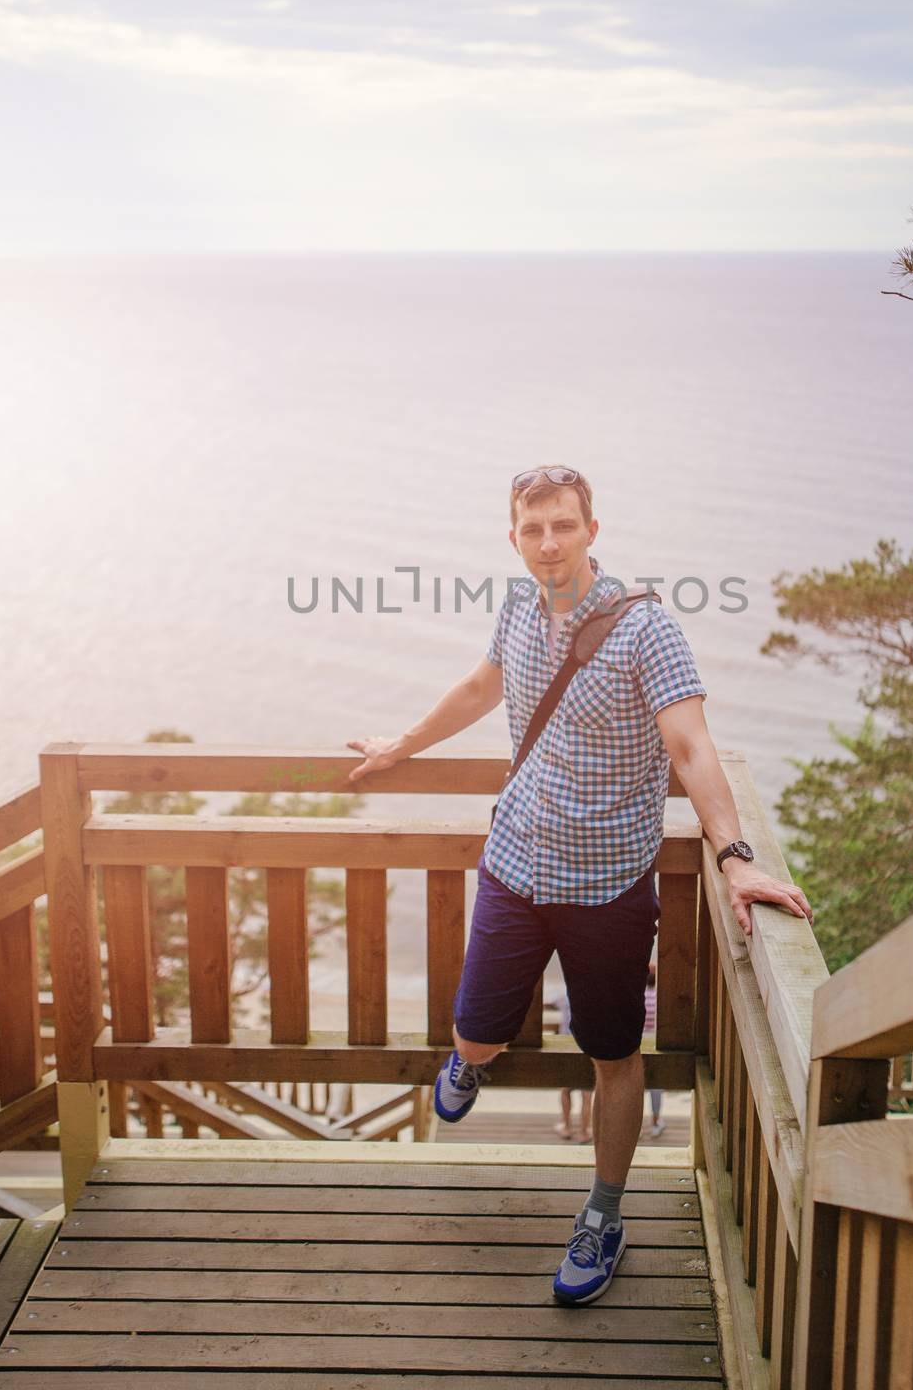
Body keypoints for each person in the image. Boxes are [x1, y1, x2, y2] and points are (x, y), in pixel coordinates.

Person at [347, 463, 812, 1307]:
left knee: (611, 1054)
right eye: (533, 528)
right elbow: (482, 687)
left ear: (591, 529)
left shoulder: (646, 630)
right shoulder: (518, 609)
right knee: (477, 1028)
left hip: (606, 889)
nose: (549, 541)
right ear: (515, 537)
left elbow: (692, 749)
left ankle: (602, 1213)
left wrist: (735, 854)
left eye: (564, 524)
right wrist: (401, 746)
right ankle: (471, 1060)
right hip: (515, 865)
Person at [553, 986, 592, 1143]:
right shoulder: (593, 997)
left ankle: (567, 1127)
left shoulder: (564, 996)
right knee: (587, 1093)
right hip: (587, 1046)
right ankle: (584, 1131)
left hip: (566, 1047)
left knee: (565, 1090)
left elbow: (552, 1000)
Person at [643, 963, 664, 1137]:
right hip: (654, 1042)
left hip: (639, 1043)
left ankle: (637, 1125)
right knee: (656, 1087)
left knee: (636, 1087)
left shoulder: (639, 996)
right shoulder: (659, 997)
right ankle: (655, 1121)